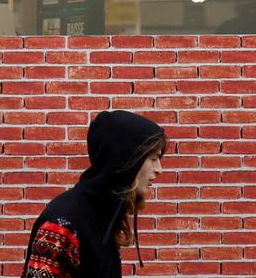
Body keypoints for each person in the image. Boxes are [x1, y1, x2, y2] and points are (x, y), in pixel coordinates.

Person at [22, 110, 166, 278]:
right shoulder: (63, 223)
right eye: (153, 158)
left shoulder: (103, 212)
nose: (159, 169)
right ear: (126, 160)